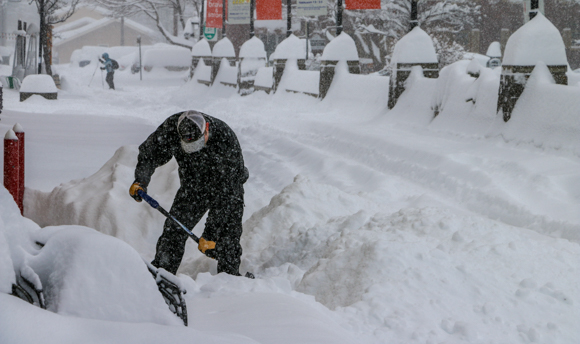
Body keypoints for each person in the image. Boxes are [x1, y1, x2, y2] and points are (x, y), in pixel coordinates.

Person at [129, 110, 249, 276]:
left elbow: (226, 195)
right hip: (193, 187)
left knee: (227, 236)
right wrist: (141, 180)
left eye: (198, 144)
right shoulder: (172, 129)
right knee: (173, 231)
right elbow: (150, 153)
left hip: (228, 187)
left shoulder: (225, 139)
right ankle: (162, 276)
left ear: (206, 129)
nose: (195, 151)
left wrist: (210, 234)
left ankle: (229, 281)